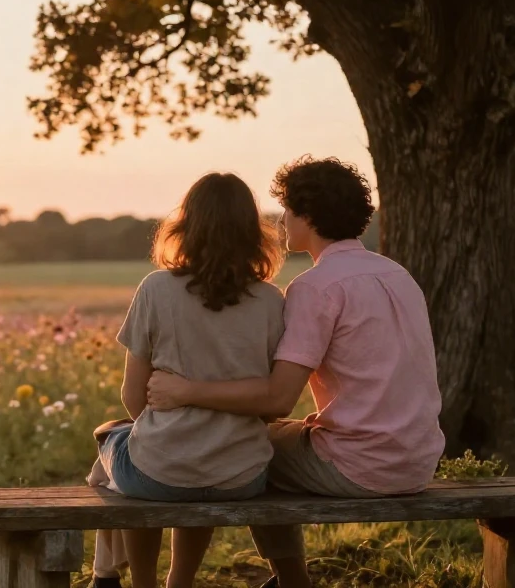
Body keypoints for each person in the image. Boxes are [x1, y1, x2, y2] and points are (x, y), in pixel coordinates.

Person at [147, 157, 445, 588]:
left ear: (307, 214)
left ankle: (271, 580)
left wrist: (186, 390)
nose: (282, 219)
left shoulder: (314, 287)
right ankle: (290, 579)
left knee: (242, 446)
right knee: (267, 441)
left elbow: (276, 400)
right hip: (418, 459)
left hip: (360, 466)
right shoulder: (397, 274)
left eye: (287, 209)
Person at [87, 172, 287, 588]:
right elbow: (271, 400)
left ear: (186, 225)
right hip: (241, 476)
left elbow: (133, 396)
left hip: (160, 472)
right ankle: (179, 581)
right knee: (190, 463)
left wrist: (172, 422)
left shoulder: (157, 288)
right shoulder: (270, 299)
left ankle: (127, 578)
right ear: (252, 230)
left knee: (113, 442)